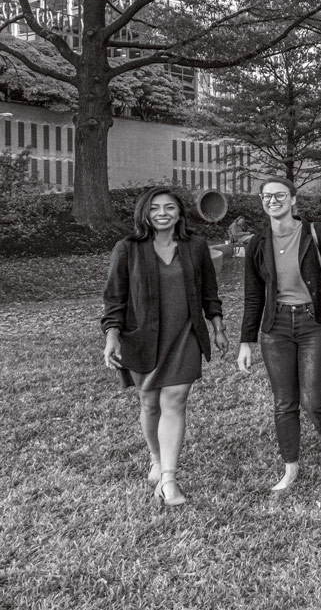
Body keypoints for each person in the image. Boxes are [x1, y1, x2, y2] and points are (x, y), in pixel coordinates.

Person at [101, 187, 228, 506]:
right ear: (144, 212)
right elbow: (114, 297)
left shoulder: (195, 246)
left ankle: (169, 479)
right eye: (155, 207)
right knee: (150, 404)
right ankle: (156, 457)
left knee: (176, 398)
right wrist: (112, 335)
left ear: (179, 213)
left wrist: (217, 326)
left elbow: (209, 291)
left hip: (184, 334)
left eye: (169, 207)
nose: (162, 212)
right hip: (141, 337)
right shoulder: (127, 248)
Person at [236, 179, 321, 492]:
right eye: (267, 196)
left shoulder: (316, 232)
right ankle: (290, 468)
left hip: (315, 323)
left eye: (280, 195)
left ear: (293, 199)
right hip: (277, 327)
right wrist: (246, 341)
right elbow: (253, 295)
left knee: (312, 395)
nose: (273, 200)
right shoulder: (257, 243)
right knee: (284, 401)